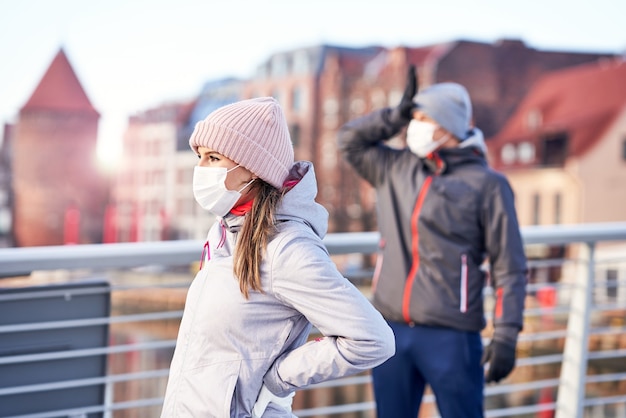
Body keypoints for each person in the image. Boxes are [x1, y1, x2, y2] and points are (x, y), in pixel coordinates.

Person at [160, 97, 395, 418]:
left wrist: (279, 379)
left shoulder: (288, 248)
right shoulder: (224, 232)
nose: (200, 169)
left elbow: (373, 340)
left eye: (213, 158)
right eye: (199, 156)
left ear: (254, 169)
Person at [337, 66, 527, 418]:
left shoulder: (488, 185)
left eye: (421, 117)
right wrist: (394, 115)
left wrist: (506, 334)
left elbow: (510, 267)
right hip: (390, 329)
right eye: (413, 118)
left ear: (447, 126)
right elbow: (349, 140)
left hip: (451, 337)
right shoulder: (395, 168)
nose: (413, 126)